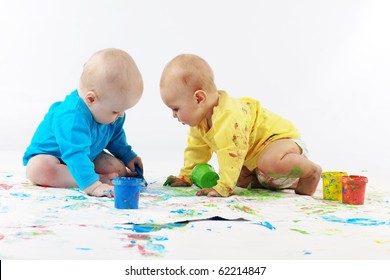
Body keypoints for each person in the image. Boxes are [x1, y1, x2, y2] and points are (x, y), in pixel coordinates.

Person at [160, 54, 322, 197]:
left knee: (265, 163)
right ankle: (286, 183)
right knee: (240, 179)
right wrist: (187, 176)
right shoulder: (200, 123)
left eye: (176, 108)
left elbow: (231, 152)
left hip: (282, 143)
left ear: (199, 99)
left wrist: (223, 187)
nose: (174, 115)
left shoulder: (228, 115)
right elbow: (196, 151)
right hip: (259, 164)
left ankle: (311, 172)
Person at [23, 48, 144, 197]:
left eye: (123, 110)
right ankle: (95, 179)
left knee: (118, 169)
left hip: (85, 154)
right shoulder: (71, 117)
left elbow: (115, 137)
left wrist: (128, 157)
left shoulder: (110, 112)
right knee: (38, 169)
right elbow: (75, 153)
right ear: (91, 99)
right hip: (55, 158)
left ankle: (97, 177)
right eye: (115, 111)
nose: (120, 115)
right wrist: (93, 186)